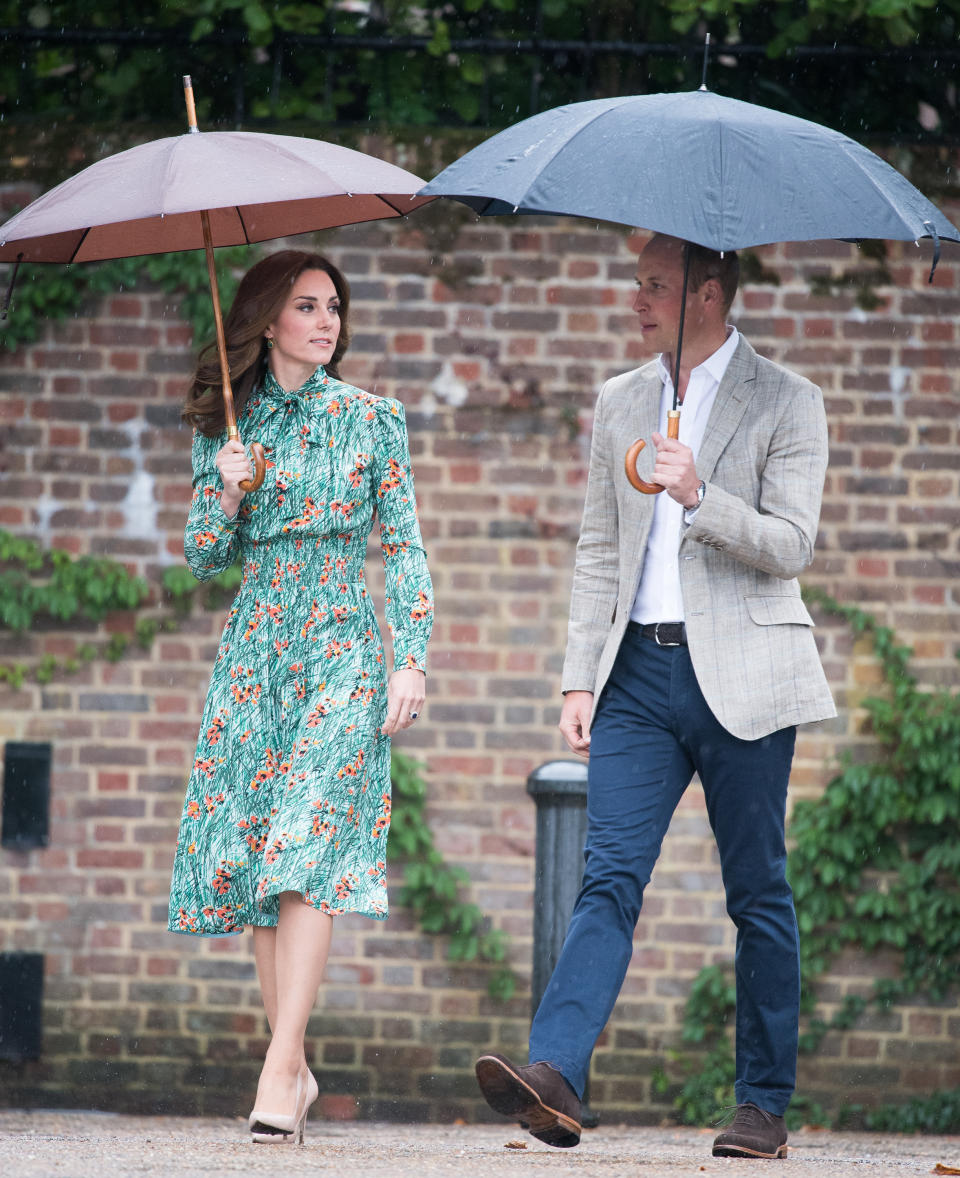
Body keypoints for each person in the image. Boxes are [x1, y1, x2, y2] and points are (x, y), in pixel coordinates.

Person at [474, 233, 835, 1160]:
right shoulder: (620, 401)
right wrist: (577, 673)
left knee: (757, 890)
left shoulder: (789, 400)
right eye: (638, 282)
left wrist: (699, 491)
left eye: (657, 285)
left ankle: (762, 1103)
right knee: (608, 877)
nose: (637, 299)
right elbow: (600, 548)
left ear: (708, 296)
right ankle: (554, 1074)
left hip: (744, 678)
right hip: (637, 675)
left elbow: (793, 543)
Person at [167, 249, 433, 1144]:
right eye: (308, 307)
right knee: (254, 857)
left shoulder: (372, 421)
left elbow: (405, 549)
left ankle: (280, 1068)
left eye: (334, 308)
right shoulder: (229, 429)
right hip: (254, 655)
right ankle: (297, 1060)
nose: (328, 321)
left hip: (341, 652)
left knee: (305, 851)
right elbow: (205, 558)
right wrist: (227, 494)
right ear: (267, 322)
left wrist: (411, 659)